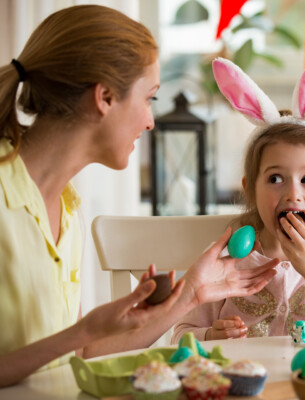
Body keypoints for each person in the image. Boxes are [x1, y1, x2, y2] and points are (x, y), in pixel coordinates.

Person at [0, 5, 278, 387]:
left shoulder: (66, 206)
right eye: (149, 98)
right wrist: (82, 331)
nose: (150, 121)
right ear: (106, 97)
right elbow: (74, 343)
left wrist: (191, 295)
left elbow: (77, 356)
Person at [172, 48, 305, 342]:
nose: (292, 193)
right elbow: (180, 337)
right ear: (249, 188)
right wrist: (210, 335)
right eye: (275, 178)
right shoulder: (224, 263)